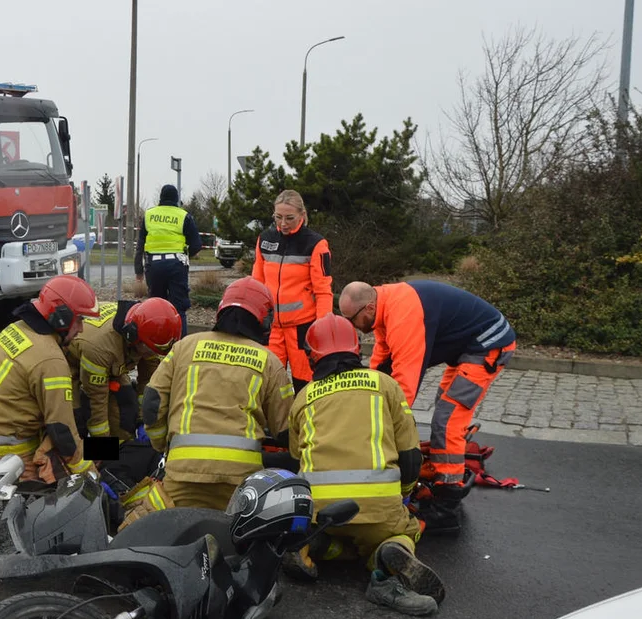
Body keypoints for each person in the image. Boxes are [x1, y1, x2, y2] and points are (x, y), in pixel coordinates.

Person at [286, 314, 444, 616]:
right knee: (404, 532)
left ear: (312, 356)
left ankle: (312, 547)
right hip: (379, 511)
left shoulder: (303, 396)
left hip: (322, 515)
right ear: (358, 349)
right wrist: (405, 495)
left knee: (333, 538)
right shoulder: (385, 385)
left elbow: (296, 459)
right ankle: (384, 570)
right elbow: (411, 456)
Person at [339, 279, 517, 489]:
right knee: (445, 406)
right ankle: (449, 457)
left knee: (447, 419)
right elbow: (383, 358)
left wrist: (382, 424)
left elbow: (406, 383)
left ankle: (448, 491)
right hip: (464, 347)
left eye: (352, 319)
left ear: (368, 307)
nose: (352, 326)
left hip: (488, 346)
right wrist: (365, 393)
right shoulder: (382, 306)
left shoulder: (404, 315)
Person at [142, 277, 295, 510]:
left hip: (183, 472)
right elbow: (285, 430)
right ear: (264, 319)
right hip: (238, 480)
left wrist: (162, 445)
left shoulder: (185, 346)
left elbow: (152, 403)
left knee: (164, 532)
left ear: (221, 310)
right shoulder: (270, 362)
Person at [0, 275, 101, 479]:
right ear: (62, 317)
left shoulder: (17, 328)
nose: (82, 329)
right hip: (1, 451)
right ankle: (115, 453)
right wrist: (90, 476)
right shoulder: (51, 360)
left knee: (80, 439)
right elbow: (63, 434)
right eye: (79, 320)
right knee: (54, 486)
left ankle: (112, 451)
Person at [252, 189, 333, 394]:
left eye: (289, 218)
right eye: (278, 217)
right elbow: (257, 284)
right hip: (272, 328)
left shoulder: (316, 244)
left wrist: (321, 329)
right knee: (267, 382)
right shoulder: (265, 239)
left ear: (302, 215)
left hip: (302, 328)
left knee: (305, 385)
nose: (283, 223)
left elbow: (323, 291)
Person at [67, 297, 181, 441]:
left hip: (111, 364)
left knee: (126, 409)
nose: (153, 354)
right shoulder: (101, 348)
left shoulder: (149, 340)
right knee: (78, 421)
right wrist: (102, 445)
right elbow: (96, 402)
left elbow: (148, 383)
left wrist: (143, 420)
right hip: (71, 366)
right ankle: (92, 459)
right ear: (133, 336)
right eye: (150, 350)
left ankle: (122, 453)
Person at [135, 184, 202, 337]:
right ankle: (180, 344)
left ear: (161, 198)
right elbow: (197, 245)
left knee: (157, 307)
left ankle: (158, 343)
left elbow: (140, 246)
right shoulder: (184, 216)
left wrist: (138, 271)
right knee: (179, 308)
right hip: (176, 265)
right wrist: (185, 255)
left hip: (153, 266)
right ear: (177, 199)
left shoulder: (149, 215)